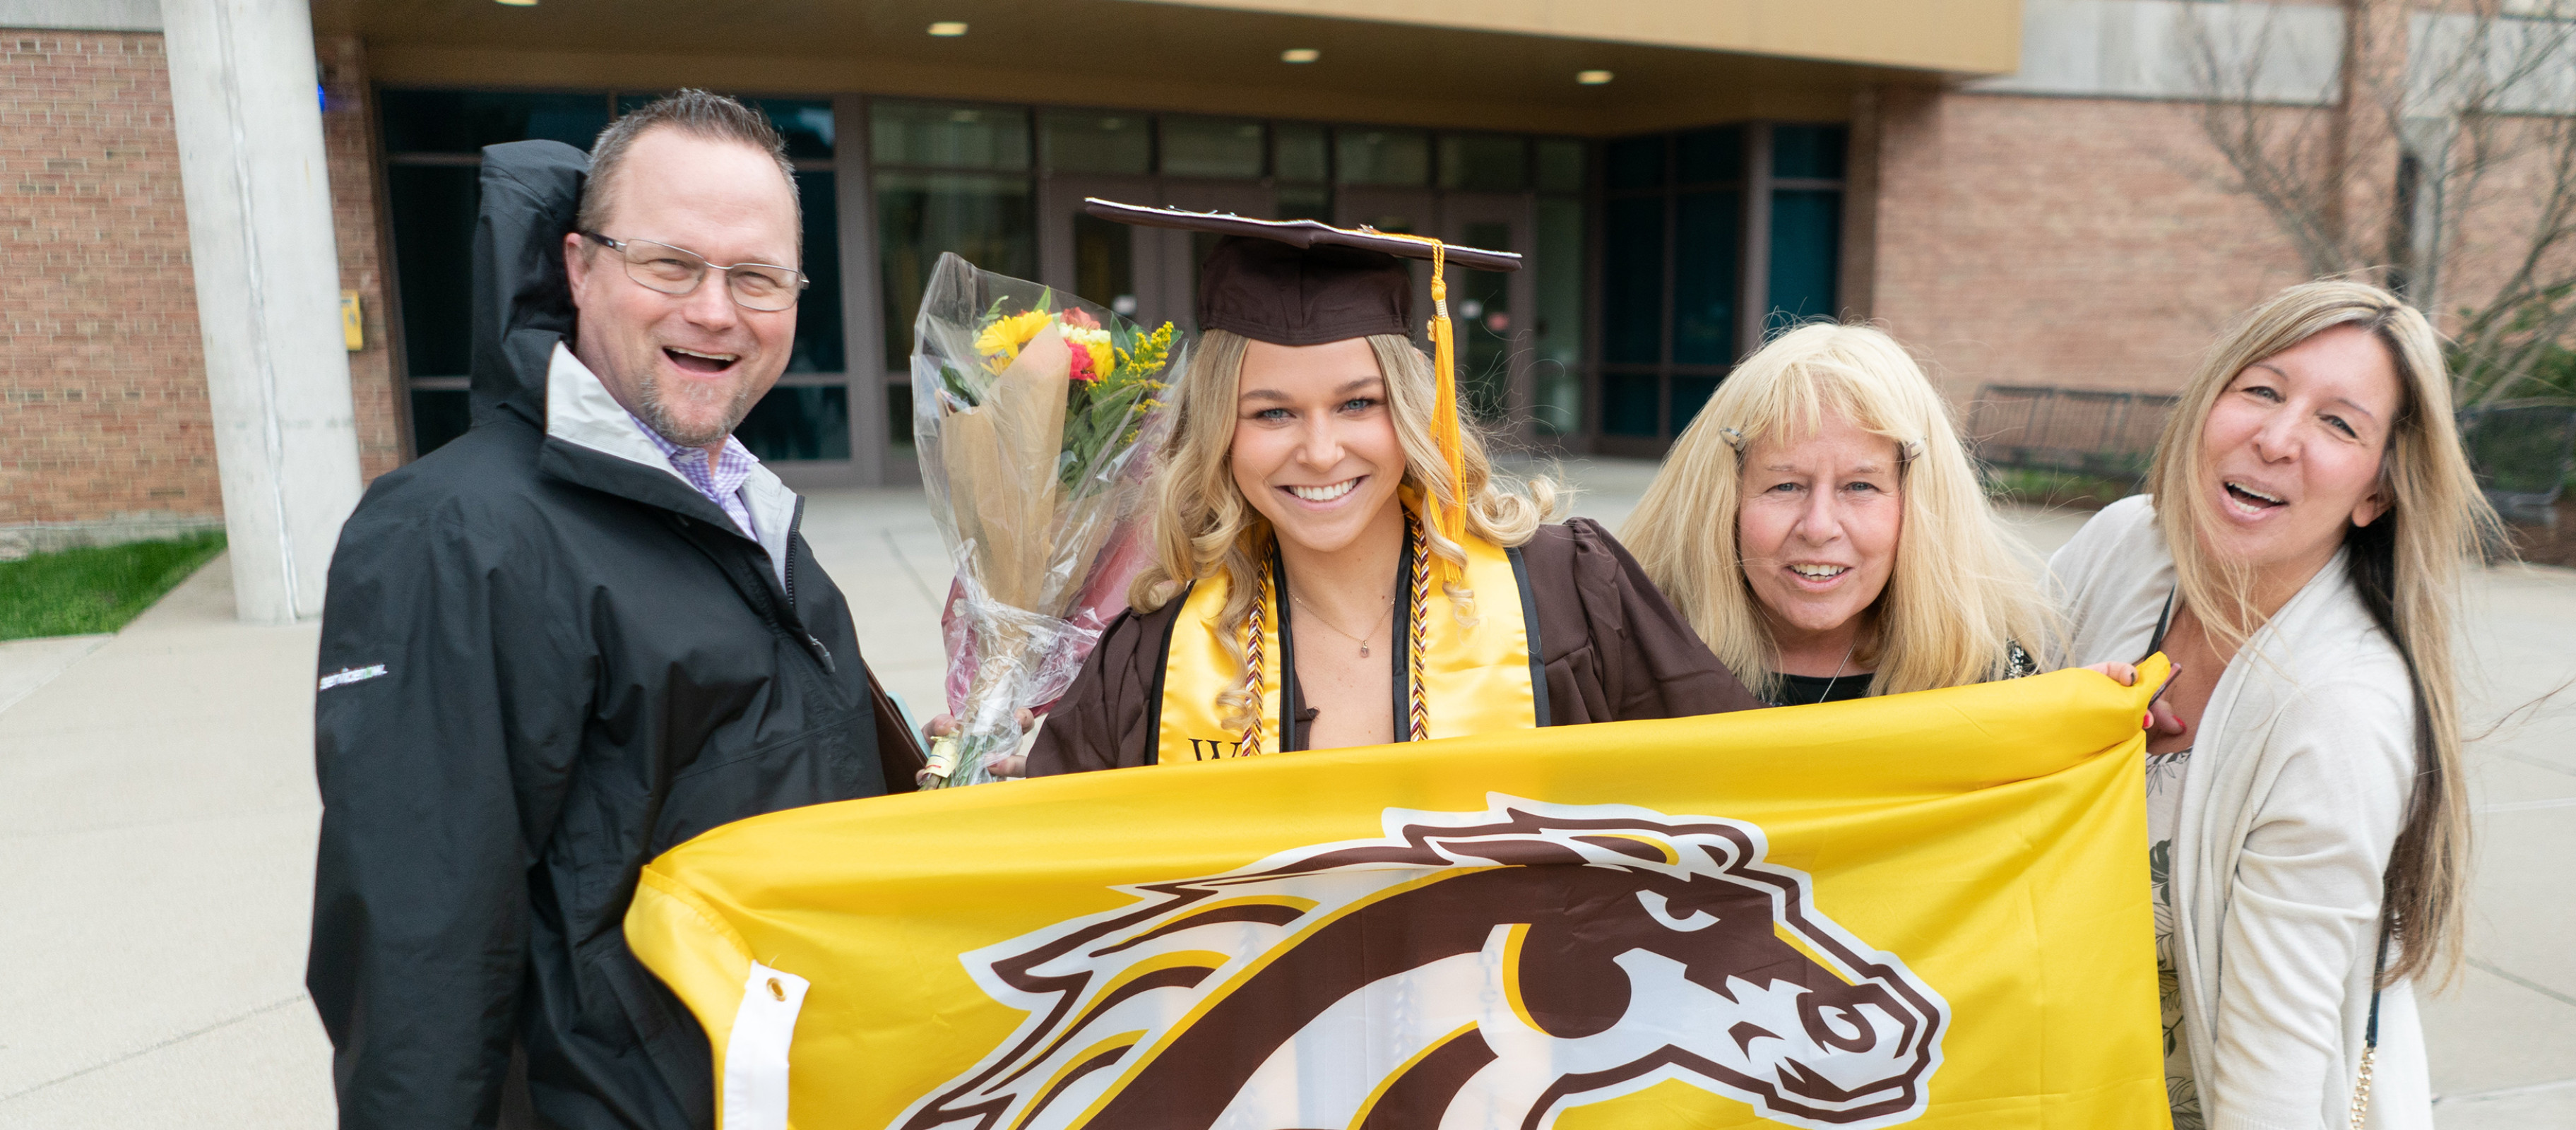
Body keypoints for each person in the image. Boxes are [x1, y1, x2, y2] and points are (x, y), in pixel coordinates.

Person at [309, 92, 909, 1130]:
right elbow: (419, 961)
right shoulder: (458, 537)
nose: (715, 310)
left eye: (756, 277)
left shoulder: (744, 506)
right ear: (580, 266)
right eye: (670, 264)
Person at [1026, 203, 1758, 773]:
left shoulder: (1571, 594)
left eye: (1358, 404)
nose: (1319, 451)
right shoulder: (1152, 653)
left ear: (1413, 410)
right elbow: (1058, 874)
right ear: (1220, 432)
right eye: (1271, 412)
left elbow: (1742, 790)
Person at [2048, 280, 2484, 1129]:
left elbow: (2272, 1068)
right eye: (2262, 389)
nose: (2277, 438)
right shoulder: (2125, 545)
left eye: (2338, 424)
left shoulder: (2339, 711)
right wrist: (2053, 715)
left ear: (2377, 493)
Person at [1623, 323, 2054, 705]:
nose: (1819, 527)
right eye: (1785, 486)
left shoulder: (1992, 680)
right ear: (1723, 501)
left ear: (1924, 505)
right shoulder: (1627, 661)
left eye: (1860, 486)